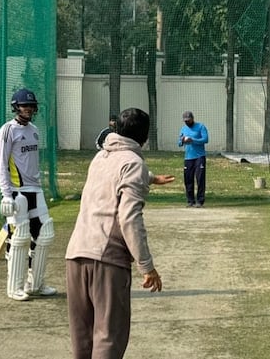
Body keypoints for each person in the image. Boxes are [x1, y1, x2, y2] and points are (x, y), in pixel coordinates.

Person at [65, 107, 173, 359]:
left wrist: (150, 177)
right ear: (144, 136)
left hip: (76, 254)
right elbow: (129, 218)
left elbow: (118, 173)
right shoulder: (133, 163)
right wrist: (147, 266)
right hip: (107, 260)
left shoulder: (100, 157)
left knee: (82, 338)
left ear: (117, 130)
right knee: (108, 338)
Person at [0, 87, 57, 301]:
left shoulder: (34, 130)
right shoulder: (7, 130)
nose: (28, 109)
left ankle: (36, 284)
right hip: (16, 191)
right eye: (24, 105)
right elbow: (1, 164)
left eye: (31, 106)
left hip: (35, 189)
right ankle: (14, 287)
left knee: (45, 234)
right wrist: (6, 194)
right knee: (20, 237)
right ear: (16, 107)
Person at [178, 111, 209, 208]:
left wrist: (193, 140)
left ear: (192, 118)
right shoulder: (183, 129)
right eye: (185, 121)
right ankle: (190, 200)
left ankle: (200, 201)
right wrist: (182, 140)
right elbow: (179, 143)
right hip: (188, 157)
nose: (187, 122)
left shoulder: (200, 127)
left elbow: (205, 139)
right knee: (188, 179)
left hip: (199, 156)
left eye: (188, 120)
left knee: (200, 179)